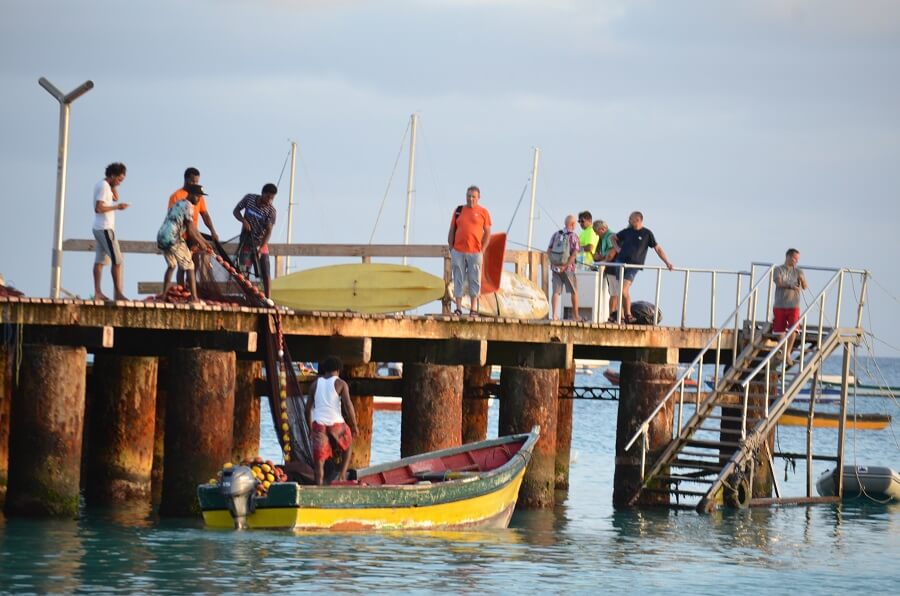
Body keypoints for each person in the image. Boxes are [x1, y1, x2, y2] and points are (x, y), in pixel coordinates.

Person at [609, 211, 673, 324]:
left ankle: (628, 314)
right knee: (621, 291)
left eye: (631, 219)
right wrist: (618, 249)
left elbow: (658, 249)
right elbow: (612, 238)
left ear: (638, 220)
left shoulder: (647, 233)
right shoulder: (627, 231)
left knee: (624, 290)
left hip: (634, 265)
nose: (629, 221)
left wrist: (667, 262)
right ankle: (623, 316)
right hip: (621, 263)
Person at [305, 356, 359, 485]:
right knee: (348, 446)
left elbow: (307, 410)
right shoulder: (340, 383)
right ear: (338, 370)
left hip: (319, 425)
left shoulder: (315, 384)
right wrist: (354, 425)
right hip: (336, 424)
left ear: (324, 370)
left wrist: (310, 429)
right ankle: (341, 476)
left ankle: (319, 484)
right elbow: (348, 405)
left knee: (319, 461)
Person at [157, 184, 211, 302]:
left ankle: (164, 295)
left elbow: (193, 229)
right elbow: (191, 231)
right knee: (190, 266)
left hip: (162, 236)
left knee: (171, 265)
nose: (199, 199)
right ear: (191, 194)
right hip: (173, 237)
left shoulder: (179, 203)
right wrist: (201, 244)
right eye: (197, 196)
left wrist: (204, 241)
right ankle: (194, 298)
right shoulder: (188, 206)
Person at [168, 167, 220, 285]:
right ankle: (181, 288)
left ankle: (190, 287)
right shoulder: (176, 196)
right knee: (182, 265)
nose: (195, 183)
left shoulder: (198, 195)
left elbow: (205, 214)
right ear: (186, 180)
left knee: (195, 262)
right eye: (193, 181)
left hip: (193, 234)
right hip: (180, 236)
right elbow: (172, 217)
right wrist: (200, 241)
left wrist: (212, 231)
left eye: (197, 181)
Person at [447, 185, 492, 315]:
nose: (470, 199)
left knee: (474, 279)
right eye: (468, 196)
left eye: (473, 197)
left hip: (475, 252)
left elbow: (488, 232)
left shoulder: (484, 212)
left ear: (478, 198)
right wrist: (451, 247)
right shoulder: (459, 210)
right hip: (458, 251)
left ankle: (473, 309)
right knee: (458, 278)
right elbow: (452, 229)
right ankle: (458, 308)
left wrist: (482, 249)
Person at [91, 162, 129, 300]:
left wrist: (114, 185)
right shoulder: (103, 187)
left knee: (100, 261)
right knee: (117, 261)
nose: (119, 183)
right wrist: (117, 208)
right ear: (112, 175)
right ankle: (118, 293)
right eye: (119, 179)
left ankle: (98, 292)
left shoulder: (105, 185)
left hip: (100, 228)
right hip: (105, 228)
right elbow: (98, 208)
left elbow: (115, 197)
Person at [233, 183, 278, 296]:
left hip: (261, 242)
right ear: (262, 193)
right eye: (268, 197)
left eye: (272, 198)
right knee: (244, 270)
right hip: (246, 241)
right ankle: (246, 296)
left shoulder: (271, 211)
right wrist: (244, 221)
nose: (269, 200)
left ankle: (268, 298)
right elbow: (236, 211)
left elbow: (268, 231)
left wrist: (260, 248)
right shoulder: (249, 198)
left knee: (265, 270)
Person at [773, 248, 808, 367]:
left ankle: (787, 353)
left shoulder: (799, 271)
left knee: (793, 329)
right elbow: (778, 283)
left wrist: (803, 281)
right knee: (779, 331)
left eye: (797, 259)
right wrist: (790, 285)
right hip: (780, 304)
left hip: (794, 305)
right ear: (787, 256)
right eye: (794, 259)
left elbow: (805, 287)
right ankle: (785, 353)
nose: (796, 262)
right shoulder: (778, 269)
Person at [547, 214, 581, 321]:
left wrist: (554, 263)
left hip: (555, 267)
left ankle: (555, 315)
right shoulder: (574, 236)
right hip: (568, 268)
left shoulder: (556, 234)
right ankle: (576, 316)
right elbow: (574, 254)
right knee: (574, 291)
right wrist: (565, 266)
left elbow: (549, 250)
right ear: (572, 224)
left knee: (556, 291)